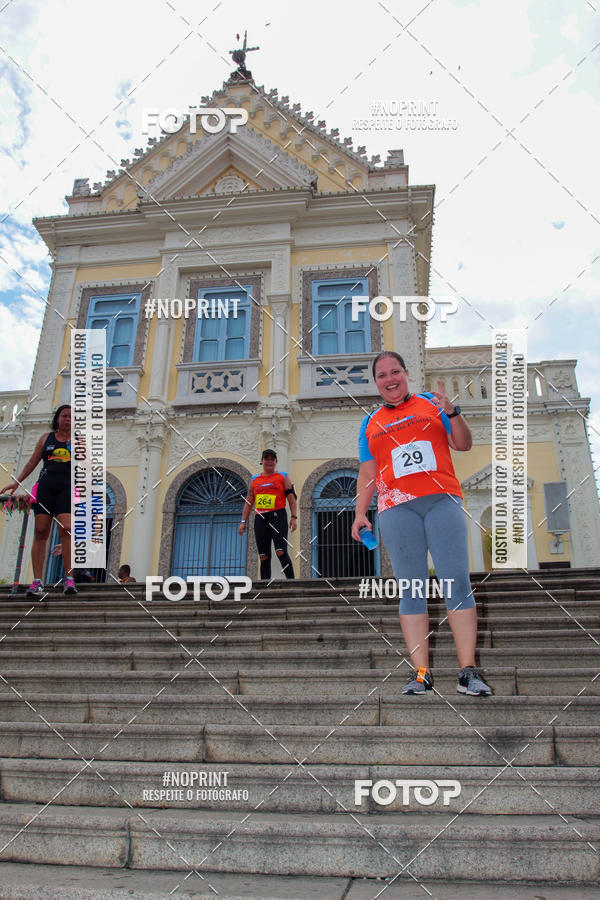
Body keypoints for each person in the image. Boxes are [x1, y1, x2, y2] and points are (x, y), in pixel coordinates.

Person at [351, 351, 491, 696]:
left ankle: (468, 672)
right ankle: (421, 673)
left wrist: (453, 413)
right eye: (382, 375)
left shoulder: (432, 403)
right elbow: (368, 473)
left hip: (441, 501)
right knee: (411, 589)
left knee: (456, 582)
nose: (390, 378)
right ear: (376, 382)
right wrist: (359, 513)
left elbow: (462, 443)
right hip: (397, 510)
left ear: (406, 373)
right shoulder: (370, 422)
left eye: (395, 371)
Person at [1, 404, 76, 597]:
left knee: (66, 529)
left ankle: (69, 580)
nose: (67, 419)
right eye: (64, 416)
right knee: (41, 531)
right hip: (45, 487)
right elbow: (32, 462)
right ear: (57, 419)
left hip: (66, 488)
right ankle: (37, 581)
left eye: (71, 417)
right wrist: (16, 483)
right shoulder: (46, 439)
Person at [238, 449, 297, 580]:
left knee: (281, 551)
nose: (269, 461)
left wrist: (294, 517)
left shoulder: (283, 476)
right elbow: (249, 502)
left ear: (276, 462)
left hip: (278, 515)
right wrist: (243, 522)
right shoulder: (254, 479)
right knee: (263, 555)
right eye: (266, 458)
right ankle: (264, 587)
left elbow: (292, 499)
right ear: (262, 461)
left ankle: (292, 582)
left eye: (272, 459)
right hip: (260, 518)